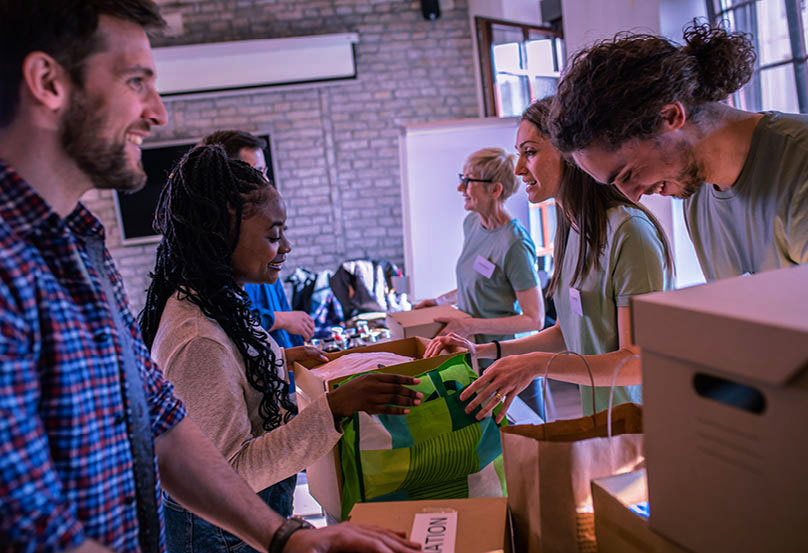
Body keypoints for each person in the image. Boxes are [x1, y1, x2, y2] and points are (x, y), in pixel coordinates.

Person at [0, 2, 421, 552]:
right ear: (48, 82)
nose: (158, 114)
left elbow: (165, 425)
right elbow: (25, 524)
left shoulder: (82, 248)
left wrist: (286, 538)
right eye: (136, 82)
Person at [139, 144, 424, 552]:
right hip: (220, 537)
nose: (286, 247)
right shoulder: (197, 338)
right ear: (223, 235)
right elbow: (230, 473)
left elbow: (224, 383)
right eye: (274, 235)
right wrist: (337, 407)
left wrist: (280, 361)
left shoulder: (213, 302)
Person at [426, 97, 674, 420]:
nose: (518, 169)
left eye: (529, 152)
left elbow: (636, 363)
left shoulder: (629, 234)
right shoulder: (572, 229)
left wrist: (537, 365)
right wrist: (482, 351)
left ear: (571, 155)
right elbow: (565, 333)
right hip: (599, 424)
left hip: (641, 430)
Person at [551, 21, 808, 281]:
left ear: (671, 116)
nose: (634, 196)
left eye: (628, 175)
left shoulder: (799, 162)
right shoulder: (696, 197)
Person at [414, 147, 545, 413]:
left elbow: (534, 318)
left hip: (508, 359)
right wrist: (438, 301)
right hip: (476, 352)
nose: (461, 188)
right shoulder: (472, 224)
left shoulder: (516, 243)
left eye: (468, 181)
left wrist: (468, 325)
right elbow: (476, 281)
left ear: (495, 190)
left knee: (527, 437)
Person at [202, 130, 312, 347]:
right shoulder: (228, 251)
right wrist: (280, 319)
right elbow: (229, 314)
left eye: (265, 171)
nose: (266, 181)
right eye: (257, 172)